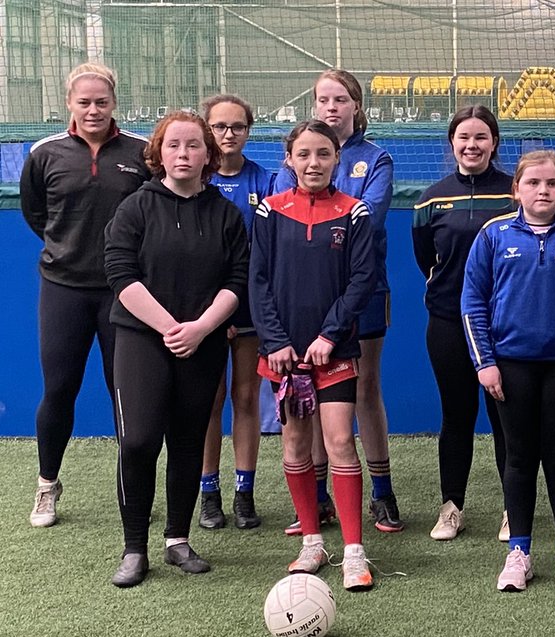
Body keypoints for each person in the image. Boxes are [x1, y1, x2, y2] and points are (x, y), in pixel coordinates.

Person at [105, 111, 249, 587]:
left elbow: (237, 280)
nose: (183, 154)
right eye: (174, 145)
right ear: (158, 153)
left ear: (209, 154)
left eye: (193, 146)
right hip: (142, 340)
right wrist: (171, 327)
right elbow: (121, 275)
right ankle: (134, 549)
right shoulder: (135, 207)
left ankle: (177, 541)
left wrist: (201, 328)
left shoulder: (226, 214)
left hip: (202, 343)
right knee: (139, 440)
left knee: (188, 442)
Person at [461, 150, 555, 593]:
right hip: (510, 366)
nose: (542, 191)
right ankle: (520, 553)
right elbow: (473, 304)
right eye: (533, 183)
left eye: (551, 184)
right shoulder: (493, 235)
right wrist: (485, 363)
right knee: (520, 457)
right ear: (517, 190)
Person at [20, 62, 150, 528]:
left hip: (125, 293)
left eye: (101, 101)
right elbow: (37, 213)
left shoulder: (140, 151)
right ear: (68, 104)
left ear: (114, 102)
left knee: (127, 396)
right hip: (63, 290)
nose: (93, 110)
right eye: (84, 102)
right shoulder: (45, 153)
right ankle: (46, 485)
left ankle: (132, 492)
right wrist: (66, 250)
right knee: (59, 391)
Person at [251, 120, 378, 591]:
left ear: (337, 159)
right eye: (303, 154)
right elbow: (258, 280)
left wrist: (329, 334)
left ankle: (352, 552)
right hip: (283, 355)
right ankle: (310, 541)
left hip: (335, 350)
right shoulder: (269, 211)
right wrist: (274, 340)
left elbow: (362, 280)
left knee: (341, 441)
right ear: (289, 159)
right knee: (294, 445)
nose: (313, 163)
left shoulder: (355, 212)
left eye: (323, 154)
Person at [275, 69, 401, 534]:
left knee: (363, 387)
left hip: (363, 290)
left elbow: (369, 221)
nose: (331, 107)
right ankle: (319, 497)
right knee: (311, 391)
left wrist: (330, 219)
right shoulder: (296, 157)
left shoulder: (377, 158)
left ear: (356, 106)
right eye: (323, 99)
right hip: (304, 298)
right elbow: (283, 218)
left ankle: (383, 495)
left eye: (340, 99)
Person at [413, 105, 514, 542]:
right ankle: (451, 507)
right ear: (452, 143)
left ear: (494, 143)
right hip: (448, 322)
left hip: (507, 324)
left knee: (507, 418)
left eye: (481, 138)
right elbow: (426, 261)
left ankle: (515, 508)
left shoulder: (516, 192)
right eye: (464, 138)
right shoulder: (430, 199)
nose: (472, 146)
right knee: (457, 415)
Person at [197, 93, 275, 531]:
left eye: (237, 127)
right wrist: (212, 312)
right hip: (203, 312)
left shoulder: (264, 181)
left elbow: (265, 252)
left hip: (248, 307)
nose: (228, 135)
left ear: (249, 131)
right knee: (209, 401)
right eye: (219, 127)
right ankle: (209, 493)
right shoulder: (193, 180)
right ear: (207, 129)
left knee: (246, 397)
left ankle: (244, 492)